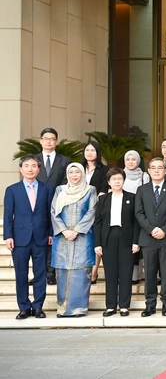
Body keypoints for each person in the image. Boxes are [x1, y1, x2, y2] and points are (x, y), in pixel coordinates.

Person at [4, 155, 54, 320]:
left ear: (39, 169)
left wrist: (51, 233)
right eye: (27, 166)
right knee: (21, 273)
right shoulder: (12, 190)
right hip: (19, 238)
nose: (30, 169)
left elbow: (50, 213)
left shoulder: (47, 189)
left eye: (34, 166)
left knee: (40, 273)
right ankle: (24, 307)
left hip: (40, 237)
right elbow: (8, 215)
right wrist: (8, 236)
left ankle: (38, 306)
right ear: (21, 169)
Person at [135, 157, 166, 317]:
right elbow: (139, 213)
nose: (156, 170)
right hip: (148, 238)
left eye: (160, 168)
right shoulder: (142, 190)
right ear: (148, 170)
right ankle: (150, 304)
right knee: (149, 272)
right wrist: (151, 229)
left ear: (165, 170)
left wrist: (164, 229)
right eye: (153, 168)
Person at [51, 163, 98, 317]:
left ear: (82, 174)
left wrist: (77, 230)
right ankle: (63, 308)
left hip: (83, 236)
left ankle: (79, 308)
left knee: (81, 272)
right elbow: (53, 211)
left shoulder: (90, 190)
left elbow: (92, 211)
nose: (74, 175)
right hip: (62, 236)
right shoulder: (60, 190)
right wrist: (64, 230)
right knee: (63, 272)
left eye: (77, 172)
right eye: (71, 172)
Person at [94, 168, 140, 317]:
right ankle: (111, 306)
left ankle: (125, 306)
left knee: (126, 272)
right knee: (111, 273)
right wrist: (97, 243)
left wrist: (135, 242)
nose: (117, 181)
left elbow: (136, 222)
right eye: (114, 179)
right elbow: (98, 223)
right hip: (108, 237)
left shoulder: (132, 197)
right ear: (108, 182)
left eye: (119, 179)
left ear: (124, 180)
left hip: (126, 237)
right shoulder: (103, 199)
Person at [36, 127, 69, 286]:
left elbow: (66, 181)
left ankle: (51, 272)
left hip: (58, 205)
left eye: (52, 139)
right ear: (41, 140)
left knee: (55, 240)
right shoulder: (33, 160)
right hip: (37, 206)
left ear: (56, 142)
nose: (49, 141)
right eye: (46, 138)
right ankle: (40, 273)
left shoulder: (65, 161)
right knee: (39, 240)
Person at [82, 141, 108, 285]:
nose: (90, 152)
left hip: (97, 208)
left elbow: (104, 189)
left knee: (95, 240)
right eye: (87, 150)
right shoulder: (77, 168)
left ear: (98, 153)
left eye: (93, 150)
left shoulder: (103, 170)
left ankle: (94, 271)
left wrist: (93, 205)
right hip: (79, 210)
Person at [122, 150, 149, 283]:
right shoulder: (120, 175)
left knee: (139, 244)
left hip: (141, 213)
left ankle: (138, 274)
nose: (131, 162)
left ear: (138, 161)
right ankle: (130, 275)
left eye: (133, 159)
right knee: (128, 245)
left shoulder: (144, 176)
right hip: (125, 214)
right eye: (128, 159)